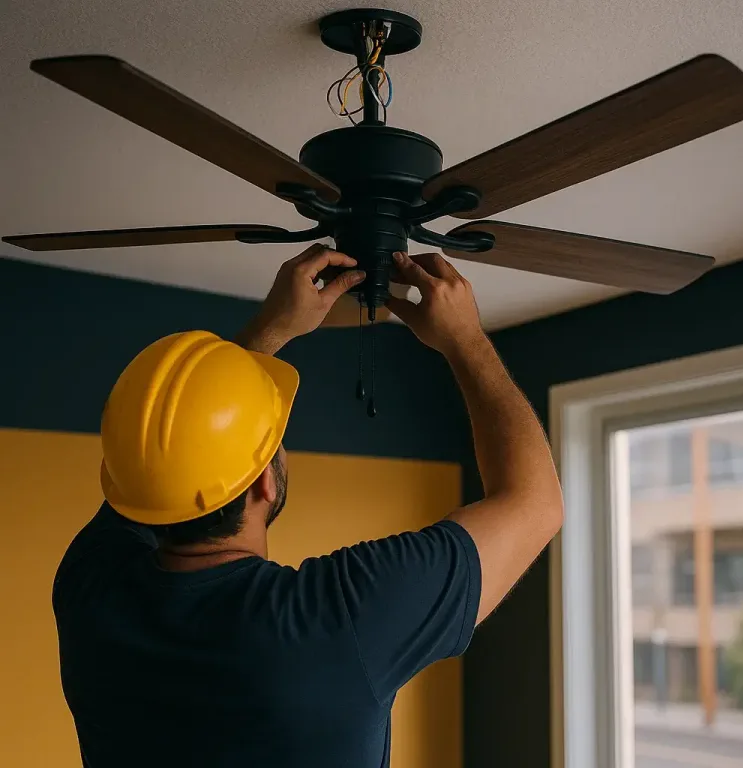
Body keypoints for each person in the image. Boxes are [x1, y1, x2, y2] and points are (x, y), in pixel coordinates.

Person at [54, 244, 563, 768]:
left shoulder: (91, 591)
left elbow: (154, 463)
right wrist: (466, 341)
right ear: (262, 486)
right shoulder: (339, 617)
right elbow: (535, 502)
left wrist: (266, 335)